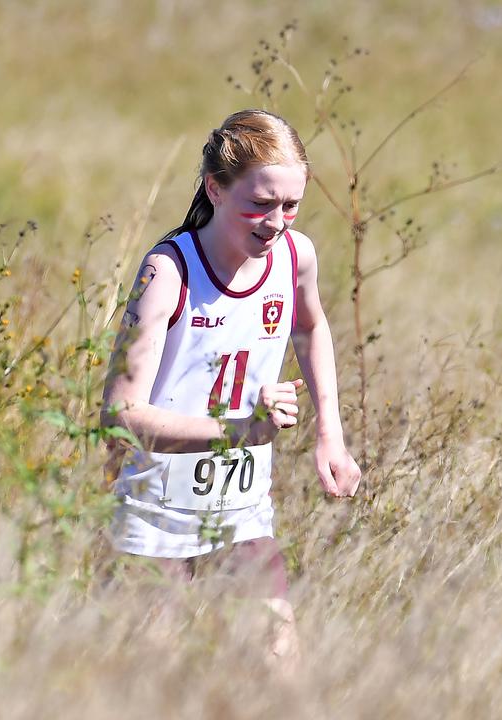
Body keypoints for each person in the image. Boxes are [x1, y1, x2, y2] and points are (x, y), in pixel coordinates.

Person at [101, 109, 361, 659]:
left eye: (291, 205)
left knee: (279, 666)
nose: (277, 221)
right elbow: (120, 415)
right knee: (147, 682)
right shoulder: (169, 272)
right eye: (260, 204)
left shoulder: (297, 257)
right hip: (155, 515)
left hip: (241, 513)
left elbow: (311, 328)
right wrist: (237, 430)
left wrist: (328, 437)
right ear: (214, 189)